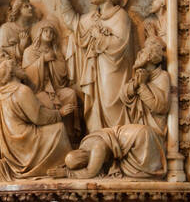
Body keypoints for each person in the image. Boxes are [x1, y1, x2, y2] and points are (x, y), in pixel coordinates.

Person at [64, 36, 169, 178]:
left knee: (142, 133)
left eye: (143, 52)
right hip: (137, 128)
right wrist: (137, 84)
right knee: (137, 133)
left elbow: (160, 107)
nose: (139, 54)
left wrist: (142, 86)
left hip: (152, 129)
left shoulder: (162, 77)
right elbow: (124, 95)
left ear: (151, 57)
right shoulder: (139, 75)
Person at [59, 0, 136, 133]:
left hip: (114, 68)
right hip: (96, 68)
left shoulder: (121, 16)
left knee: (110, 101)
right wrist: (65, 2)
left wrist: (99, 36)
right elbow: (74, 23)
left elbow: (120, 44)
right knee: (96, 103)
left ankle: (117, 135)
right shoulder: (94, 17)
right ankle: (97, 135)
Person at [0, 52, 73, 182]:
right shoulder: (21, 90)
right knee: (59, 129)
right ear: (12, 72)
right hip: (25, 141)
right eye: (17, 66)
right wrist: (60, 113)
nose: (21, 67)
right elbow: (39, 117)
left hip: (11, 145)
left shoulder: (1, 95)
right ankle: (65, 169)